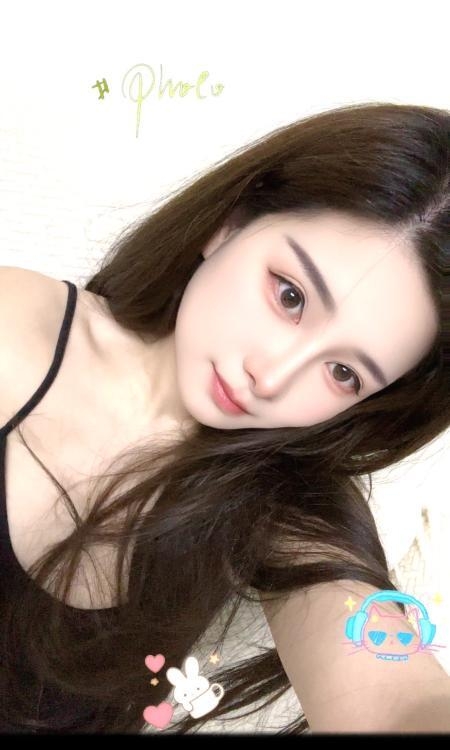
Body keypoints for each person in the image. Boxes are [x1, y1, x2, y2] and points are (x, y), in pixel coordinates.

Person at [0, 100, 449, 734]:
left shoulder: (288, 508)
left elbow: (391, 701)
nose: (272, 375)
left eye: (344, 372)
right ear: (231, 223)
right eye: (290, 296)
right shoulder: (15, 325)